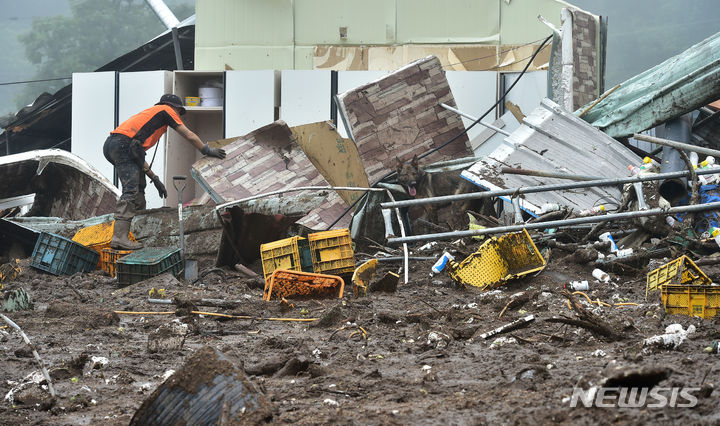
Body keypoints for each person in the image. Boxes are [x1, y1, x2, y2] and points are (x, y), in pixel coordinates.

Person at [104, 94, 226, 250]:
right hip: (121, 146)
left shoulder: (145, 122)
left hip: (113, 145)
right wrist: (206, 149)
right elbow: (188, 134)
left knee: (138, 186)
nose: (178, 115)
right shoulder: (165, 110)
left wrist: (155, 179)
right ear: (174, 107)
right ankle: (119, 237)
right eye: (178, 112)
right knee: (130, 191)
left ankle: (136, 231)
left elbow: (138, 158)